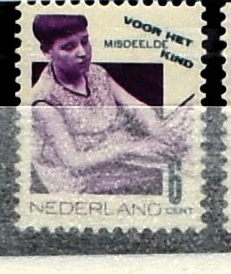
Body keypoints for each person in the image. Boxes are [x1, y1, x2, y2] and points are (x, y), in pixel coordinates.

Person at [28, 13, 191, 196]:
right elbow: (74, 162)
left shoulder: (96, 73)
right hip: (79, 176)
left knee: (182, 141)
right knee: (173, 171)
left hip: (116, 148)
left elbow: (136, 106)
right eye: (68, 47)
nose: (82, 52)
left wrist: (158, 131)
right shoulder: (44, 101)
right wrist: (133, 148)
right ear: (47, 51)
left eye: (85, 41)